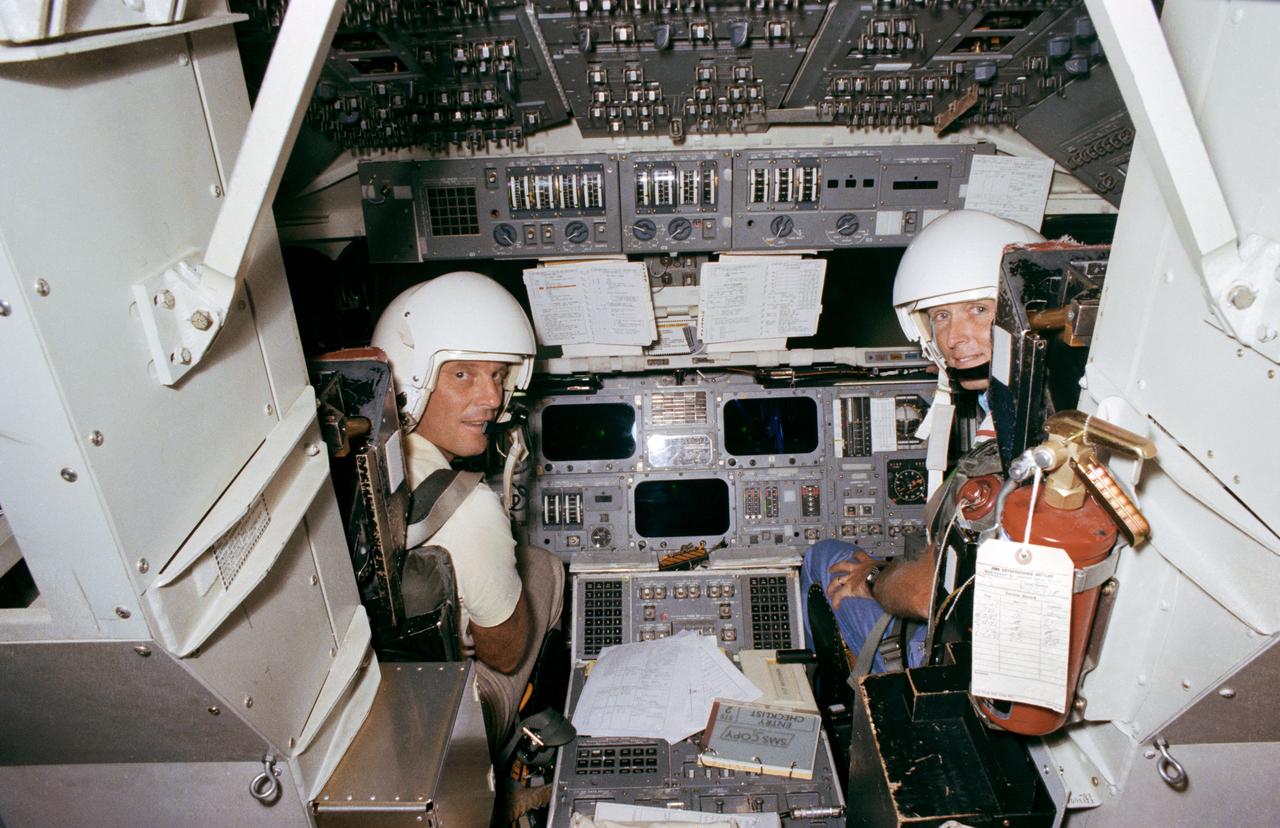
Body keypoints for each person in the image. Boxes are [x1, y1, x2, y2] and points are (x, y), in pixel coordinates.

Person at [803, 210, 1044, 672]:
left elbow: (923, 593)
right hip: (973, 629)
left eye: (978, 309)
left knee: (825, 556)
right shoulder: (1023, 406)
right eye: (941, 316)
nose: (956, 337)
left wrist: (874, 575)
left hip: (952, 656)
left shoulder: (1025, 436)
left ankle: (837, 695)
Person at [371, 271, 564, 755]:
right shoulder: (467, 507)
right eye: (463, 375)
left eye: (498, 375)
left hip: (378, 688)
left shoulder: (359, 460)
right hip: (434, 717)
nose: (493, 399)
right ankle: (514, 738)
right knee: (546, 568)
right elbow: (503, 653)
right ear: (409, 379)